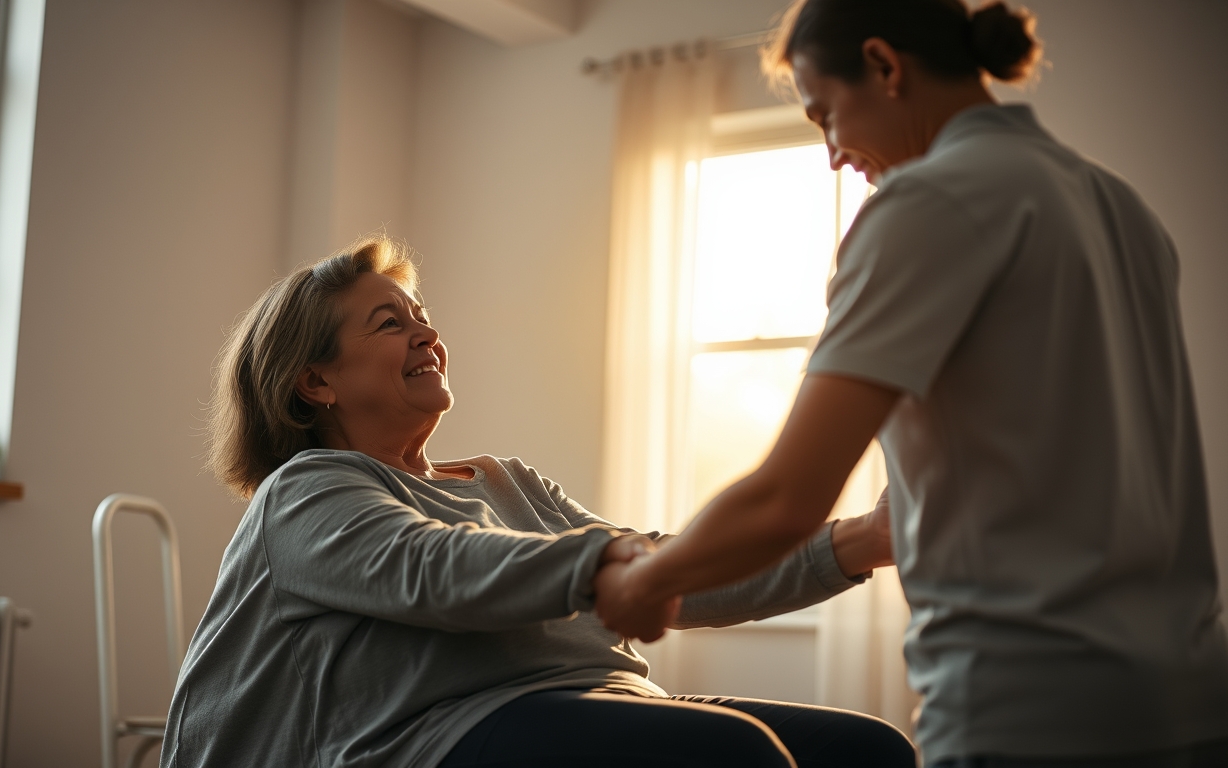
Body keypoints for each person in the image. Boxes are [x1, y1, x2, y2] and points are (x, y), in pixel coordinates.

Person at [592, 1, 1228, 766]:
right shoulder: (1119, 204)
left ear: (886, 65)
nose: (830, 153)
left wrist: (648, 581)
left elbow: (788, 497)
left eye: (824, 113)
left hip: (1034, 710)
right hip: (1191, 700)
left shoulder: (925, 204)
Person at [158, 238, 915, 768]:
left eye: (421, 314)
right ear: (315, 382)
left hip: (593, 698)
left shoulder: (506, 482)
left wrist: (858, 539)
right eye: (391, 322)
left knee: (868, 751)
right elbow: (430, 566)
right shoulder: (309, 489)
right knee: (733, 757)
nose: (426, 331)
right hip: (421, 741)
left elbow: (670, 573)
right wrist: (609, 561)